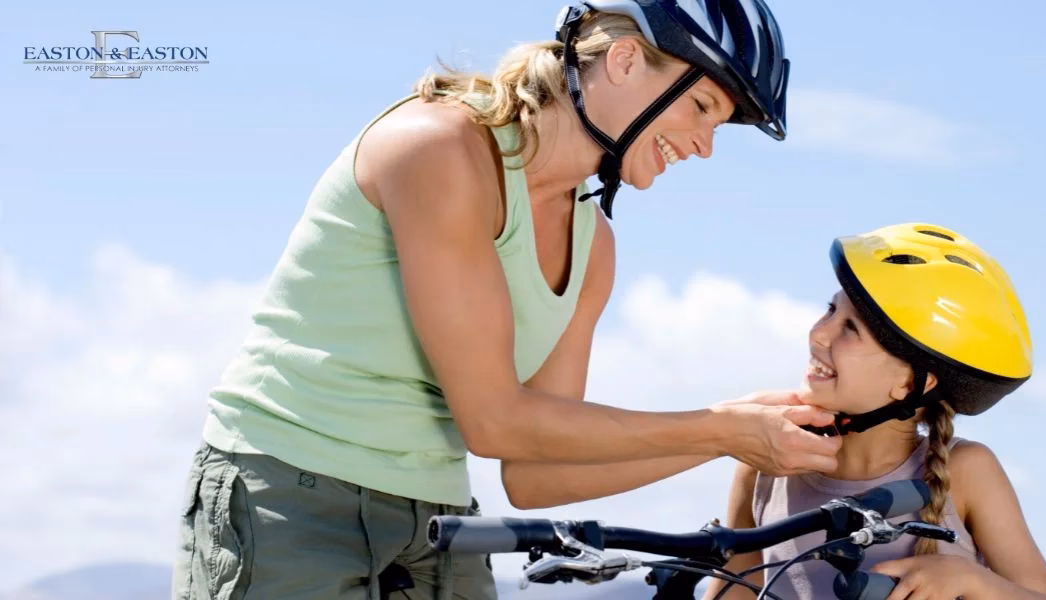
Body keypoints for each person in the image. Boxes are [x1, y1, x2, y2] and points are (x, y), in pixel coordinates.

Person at [171, 2, 842, 600]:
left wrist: (736, 442)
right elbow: (494, 421)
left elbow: (536, 475)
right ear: (626, 59)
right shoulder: (440, 149)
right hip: (289, 492)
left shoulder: (593, 246)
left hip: (435, 518)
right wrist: (720, 425)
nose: (703, 147)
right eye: (702, 109)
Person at [705, 223, 1046, 600]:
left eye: (850, 329)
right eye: (830, 309)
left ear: (911, 385)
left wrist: (971, 580)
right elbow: (731, 590)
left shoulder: (967, 470)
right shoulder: (766, 465)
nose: (818, 334)